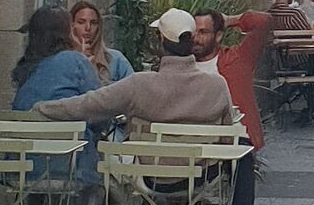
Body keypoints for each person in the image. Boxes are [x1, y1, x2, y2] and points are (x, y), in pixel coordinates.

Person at [32, 7, 234, 128]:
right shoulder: (217, 86)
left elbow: (89, 105)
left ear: (160, 40)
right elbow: (228, 134)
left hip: (150, 178)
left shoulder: (139, 85)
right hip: (201, 178)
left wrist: (41, 108)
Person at [192, 5, 271, 205]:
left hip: (231, 142)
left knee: (244, 156)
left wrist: (231, 20)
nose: (197, 37)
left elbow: (263, 22)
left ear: (218, 36)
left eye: (204, 32)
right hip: (192, 143)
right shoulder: (180, 66)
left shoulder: (238, 59)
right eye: (193, 31)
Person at [13, 7, 103, 191]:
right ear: (67, 33)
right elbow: (99, 112)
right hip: (70, 171)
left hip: (20, 173)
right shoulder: (75, 61)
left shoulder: (25, 69)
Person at [70, 2, 135, 86]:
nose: (88, 28)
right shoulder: (63, 60)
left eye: (93, 23)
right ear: (72, 25)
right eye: (81, 22)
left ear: (99, 26)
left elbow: (133, 90)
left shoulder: (116, 59)